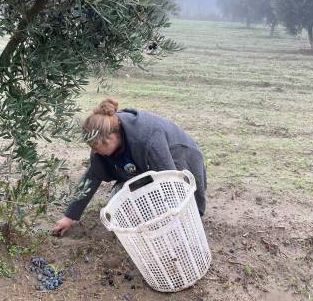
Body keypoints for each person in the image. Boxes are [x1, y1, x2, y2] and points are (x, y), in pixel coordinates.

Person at [52, 98, 206, 236]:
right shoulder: (102, 144)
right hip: (143, 161)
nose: (93, 151)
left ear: (111, 138)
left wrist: (142, 205)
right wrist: (70, 216)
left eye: (95, 146)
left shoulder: (147, 139)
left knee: (176, 208)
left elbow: (168, 180)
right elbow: (92, 176)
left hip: (179, 153)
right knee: (128, 206)